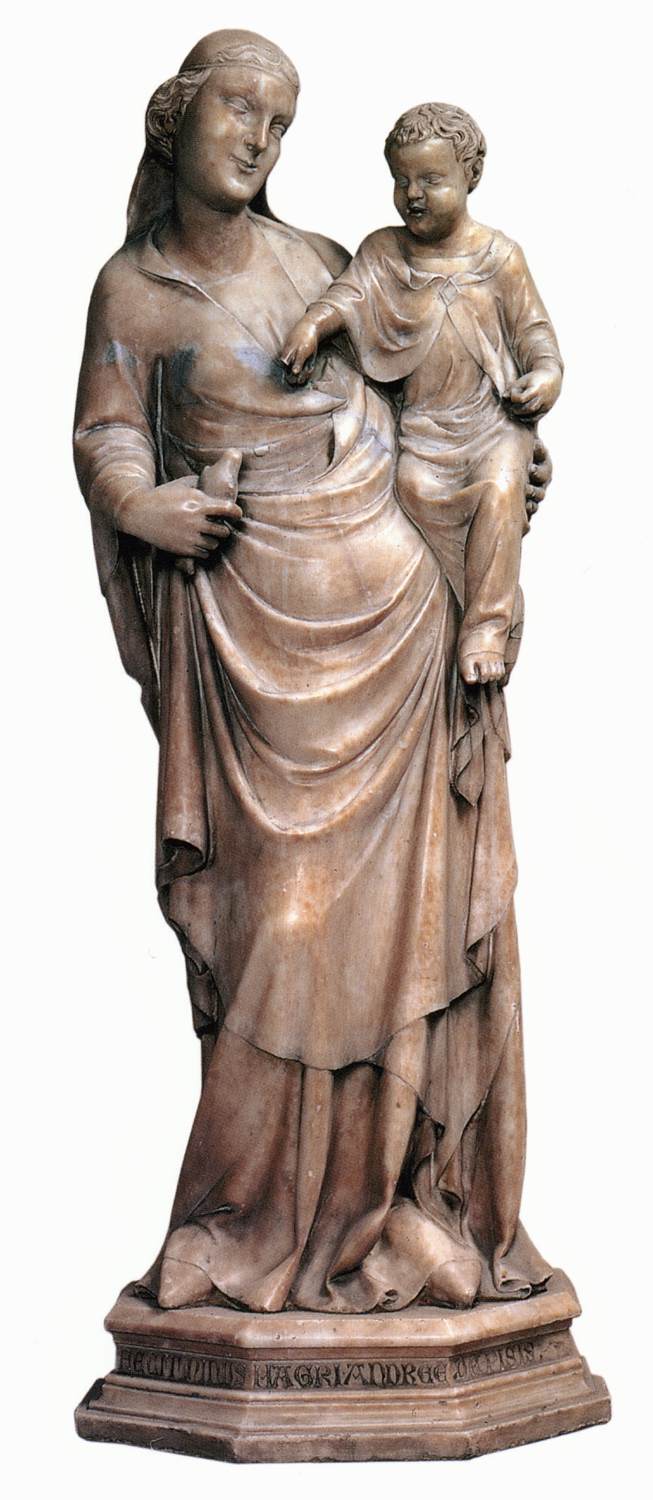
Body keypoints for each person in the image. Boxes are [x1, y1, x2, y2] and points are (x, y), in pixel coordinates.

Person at [74, 31, 552, 1314]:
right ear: (175, 117)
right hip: (253, 649)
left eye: (280, 122)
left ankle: (392, 1204)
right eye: (240, 109)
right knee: (275, 926)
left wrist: (499, 461)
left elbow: (414, 396)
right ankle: (247, 1217)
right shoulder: (133, 288)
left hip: (397, 620)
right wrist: (144, 506)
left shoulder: (321, 261)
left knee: (403, 926)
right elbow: (107, 432)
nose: (259, 139)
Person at [282, 102, 563, 686]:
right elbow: (347, 296)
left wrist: (545, 375)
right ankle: (470, 598)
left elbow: (535, 334)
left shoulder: (500, 258)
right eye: (401, 179)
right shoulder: (384, 253)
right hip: (426, 429)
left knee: (500, 488)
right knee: (411, 489)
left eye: (431, 179)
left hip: (493, 424)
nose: (413, 194)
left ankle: (486, 626)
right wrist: (311, 326)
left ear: (470, 176)